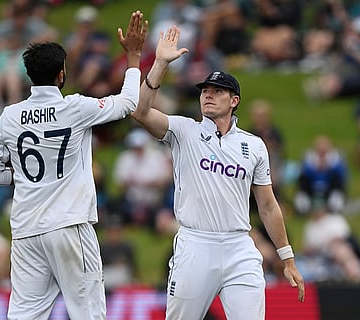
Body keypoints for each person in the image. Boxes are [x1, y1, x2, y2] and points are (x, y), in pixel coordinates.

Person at [0, 11, 147, 320]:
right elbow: (128, 104)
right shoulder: (76, 107)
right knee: (88, 313)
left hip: (27, 229)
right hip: (69, 224)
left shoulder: (9, 116)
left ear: (29, 75)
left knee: (24, 315)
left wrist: (23, 177)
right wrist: (134, 59)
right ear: (62, 73)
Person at [131, 25, 304, 320]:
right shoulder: (184, 130)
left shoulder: (254, 145)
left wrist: (286, 257)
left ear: (234, 100)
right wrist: (160, 64)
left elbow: (267, 205)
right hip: (196, 245)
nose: (208, 95)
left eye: (217, 91)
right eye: (205, 91)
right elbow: (140, 112)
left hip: (240, 247)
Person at [293, 135, 348, 215]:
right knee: (301, 202)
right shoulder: (308, 159)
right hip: (311, 190)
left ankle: (331, 210)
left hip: (330, 190)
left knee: (336, 200)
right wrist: (315, 168)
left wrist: (328, 167)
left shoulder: (336, 160)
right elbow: (302, 176)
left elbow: (341, 176)